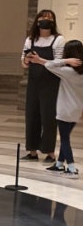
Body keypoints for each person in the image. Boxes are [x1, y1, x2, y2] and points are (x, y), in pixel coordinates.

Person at [27, 39, 83, 177]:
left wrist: (66, 60)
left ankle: (71, 168)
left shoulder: (67, 71)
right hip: (77, 109)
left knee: (64, 139)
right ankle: (59, 164)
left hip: (65, 109)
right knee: (66, 136)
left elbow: (50, 65)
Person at [21, 9, 64, 161]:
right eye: (43, 17)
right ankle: (32, 151)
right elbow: (23, 63)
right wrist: (27, 60)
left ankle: (50, 152)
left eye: (49, 18)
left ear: (53, 22)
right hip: (34, 83)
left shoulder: (58, 39)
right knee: (32, 116)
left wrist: (39, 61)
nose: (46, 20)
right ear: (37, 21)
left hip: (51, 83)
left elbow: (58, 63)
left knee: (49, 117)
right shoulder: (30, 39)